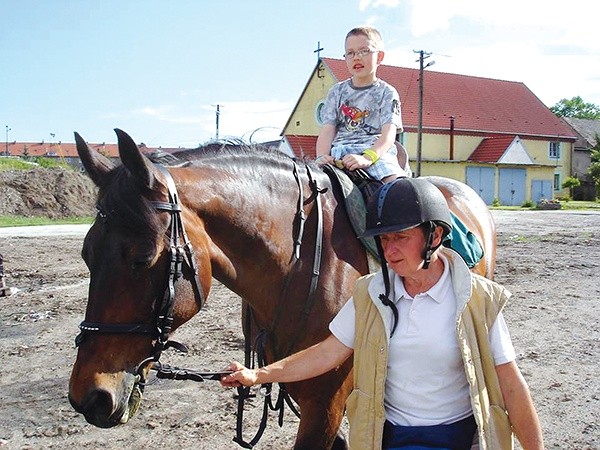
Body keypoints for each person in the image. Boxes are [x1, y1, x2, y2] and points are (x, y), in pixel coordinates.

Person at [221, 178, 544, 450]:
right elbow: (327, 352)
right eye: (384, 239)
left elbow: (511, 385)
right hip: (387, 438)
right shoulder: (370, 292)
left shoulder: (477, 297)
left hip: (457, 438)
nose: (389, 251)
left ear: (434, 237)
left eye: (401, 238)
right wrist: (259, 375)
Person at [315, 26, 411, 182]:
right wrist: (322, 156)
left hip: (375, 154)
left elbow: (388, 135)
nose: (356, 57)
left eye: (364, 51)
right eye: (350, 53)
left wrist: (367, 158)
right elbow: (327, 130)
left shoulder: (387, 92)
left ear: (379, 57)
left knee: (398, 189)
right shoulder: (336, 92)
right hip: (339, 152)